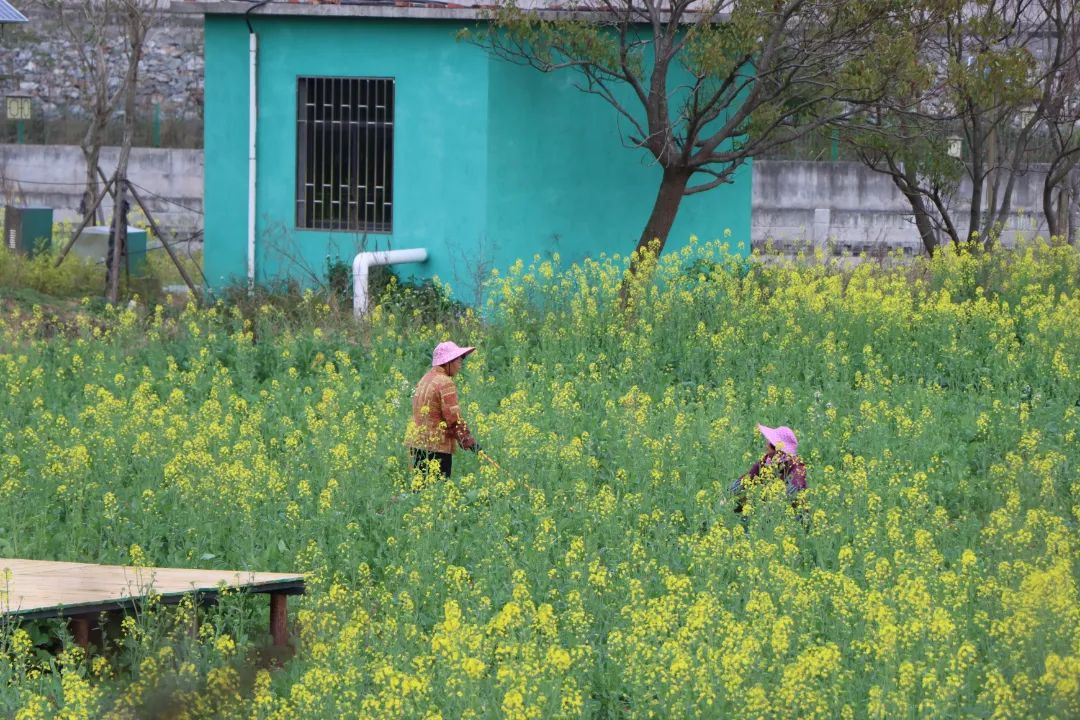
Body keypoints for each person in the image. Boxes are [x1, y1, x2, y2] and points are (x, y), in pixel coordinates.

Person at [405, 341, 481, 480]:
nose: (460, 365)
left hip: (416, 444)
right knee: (438, 493)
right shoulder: (445, 382)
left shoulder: (424, 379)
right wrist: (468, 441)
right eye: (459, 360)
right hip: (436, 448)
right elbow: (453, 418)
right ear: (448, 362)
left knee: (420, 492)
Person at [729, 424, 808, 530]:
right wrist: (728, 497)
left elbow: (791, 495)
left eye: (769, 444)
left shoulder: (797, 468)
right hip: (766, 514)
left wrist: (767, 506)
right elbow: (744, 481)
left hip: (791, 520)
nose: (766, 446)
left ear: (777, 450)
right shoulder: (766, 461)